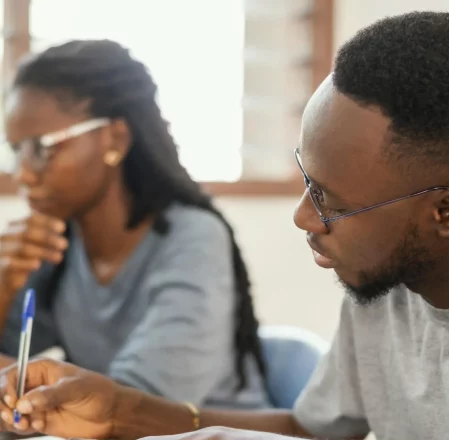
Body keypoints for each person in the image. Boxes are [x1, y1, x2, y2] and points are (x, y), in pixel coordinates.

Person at [2, 10, 449, 440]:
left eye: (332, 202)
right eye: (309, 180)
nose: (304, 217)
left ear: (448, 214)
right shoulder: (388, 278)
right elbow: (313, 435)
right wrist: (120, 412)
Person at [0, 39, 269, 409]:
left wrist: (18, 384)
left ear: (115, 138)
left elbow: (142, 405)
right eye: (16, 151)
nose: (24, 175)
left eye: (42, 147)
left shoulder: (192, 239)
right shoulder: (56, 245)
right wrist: (2, 284)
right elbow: (14, 357)